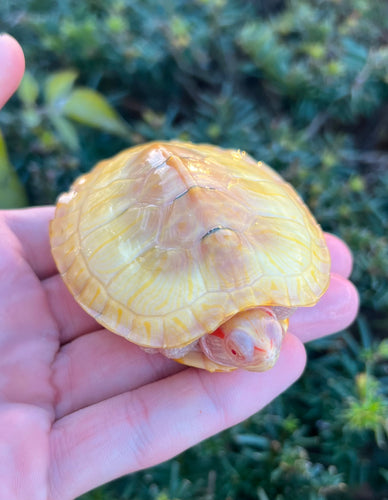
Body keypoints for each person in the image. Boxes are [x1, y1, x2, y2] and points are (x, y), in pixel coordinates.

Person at [0, 34, 359, 500]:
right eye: (237, 353)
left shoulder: (285, 283)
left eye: (250, 347)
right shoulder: (175, 326)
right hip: (131, 193)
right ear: (216, 344)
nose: (262, 359)